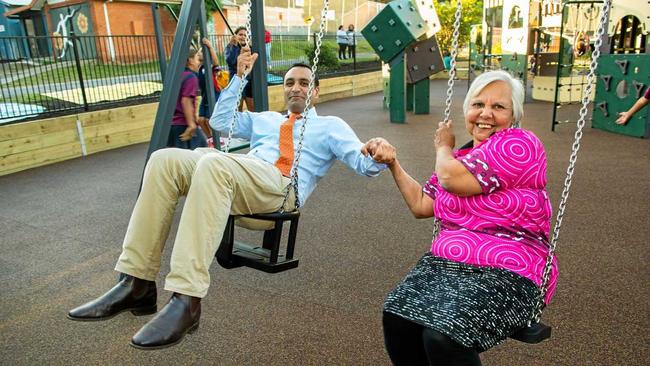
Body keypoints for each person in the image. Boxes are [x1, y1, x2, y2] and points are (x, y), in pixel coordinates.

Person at [67, 46, 394, 350]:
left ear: (315, 90)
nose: (296, 87)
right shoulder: (266, 119)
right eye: (290, 82)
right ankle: (137, 283)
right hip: (241, 175)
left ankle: (186, 298)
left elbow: (364, 164)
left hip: (279, 191)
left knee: (213, 163)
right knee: (164, 160)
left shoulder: (330, 126)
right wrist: (239, 76)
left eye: (304, 83)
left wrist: (378, 152)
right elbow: (222, 123)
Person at [365, 70, 556, 365]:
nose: (486, 114)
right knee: (397, 317)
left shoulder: (520, 144)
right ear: (467, 110)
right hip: (448, 265)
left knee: (444, 336)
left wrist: (443, 146)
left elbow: (450, 179)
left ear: (514, 115)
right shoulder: (462, 158)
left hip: (508, 271)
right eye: (478, 104)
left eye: (499, 107)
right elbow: (420, 204)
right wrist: (393, 163)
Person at [168, 47, 207, 149]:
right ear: (190, 61)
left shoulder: (177, 76)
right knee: (201, 151)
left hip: (173, 124)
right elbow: (186, 100)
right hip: (184, 124)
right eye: (197, 59)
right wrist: (191, 124)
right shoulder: (190, 77)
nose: (199, 63)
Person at [197, 37, 223, 147]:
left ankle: (217, 138)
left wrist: (210, 46)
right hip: (205, 96)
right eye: (198, 52)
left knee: (210, 119)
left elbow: (216, 62)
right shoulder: (199, 67)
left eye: (201, 52)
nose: (198, 54)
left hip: (214, 94)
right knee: (201, 120)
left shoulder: (211, 67)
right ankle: (210, 138)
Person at [225, 26, 254, 112]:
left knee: (252, 109)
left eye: (245, 35)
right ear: (235, 36)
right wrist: (234, 46)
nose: (243, 37)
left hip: (249, 82)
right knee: (237, 110)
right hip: (237, 80)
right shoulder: (230, 47)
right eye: (240, 34)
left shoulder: (250, 48)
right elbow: (232, 61)